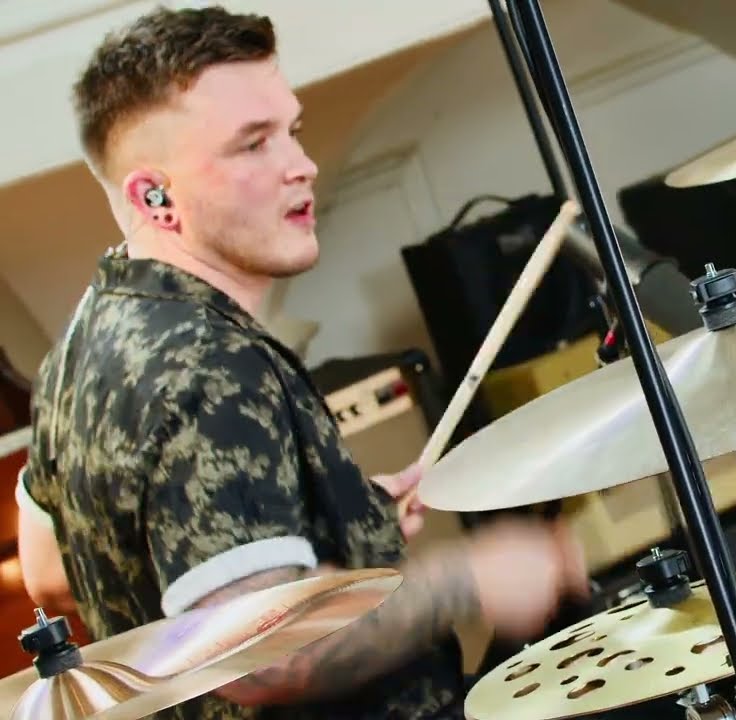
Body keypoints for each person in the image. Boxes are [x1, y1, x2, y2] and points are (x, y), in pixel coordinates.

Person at [15, 5, 589, 719]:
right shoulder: (208, 365)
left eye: (293, 131)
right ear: (153, 197)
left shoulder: (84, 340)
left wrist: (331, 520)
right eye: (254, 144)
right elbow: (263, 660)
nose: (302, 166)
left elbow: (49, 572)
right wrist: (472, 578)